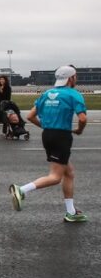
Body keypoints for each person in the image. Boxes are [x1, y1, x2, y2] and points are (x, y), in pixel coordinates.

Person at [9, 66, 88, 222]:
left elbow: (30, 116)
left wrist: (47, 127)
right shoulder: (73, 94)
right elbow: (83, 118)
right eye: (75, 76)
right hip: (62, 136)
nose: (76, 79)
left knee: (69, 172)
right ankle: (22, 189)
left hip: (48, 135)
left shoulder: (46, 94)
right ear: (71, 78)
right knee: (55, 177)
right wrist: (79, 129)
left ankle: (71, 212)